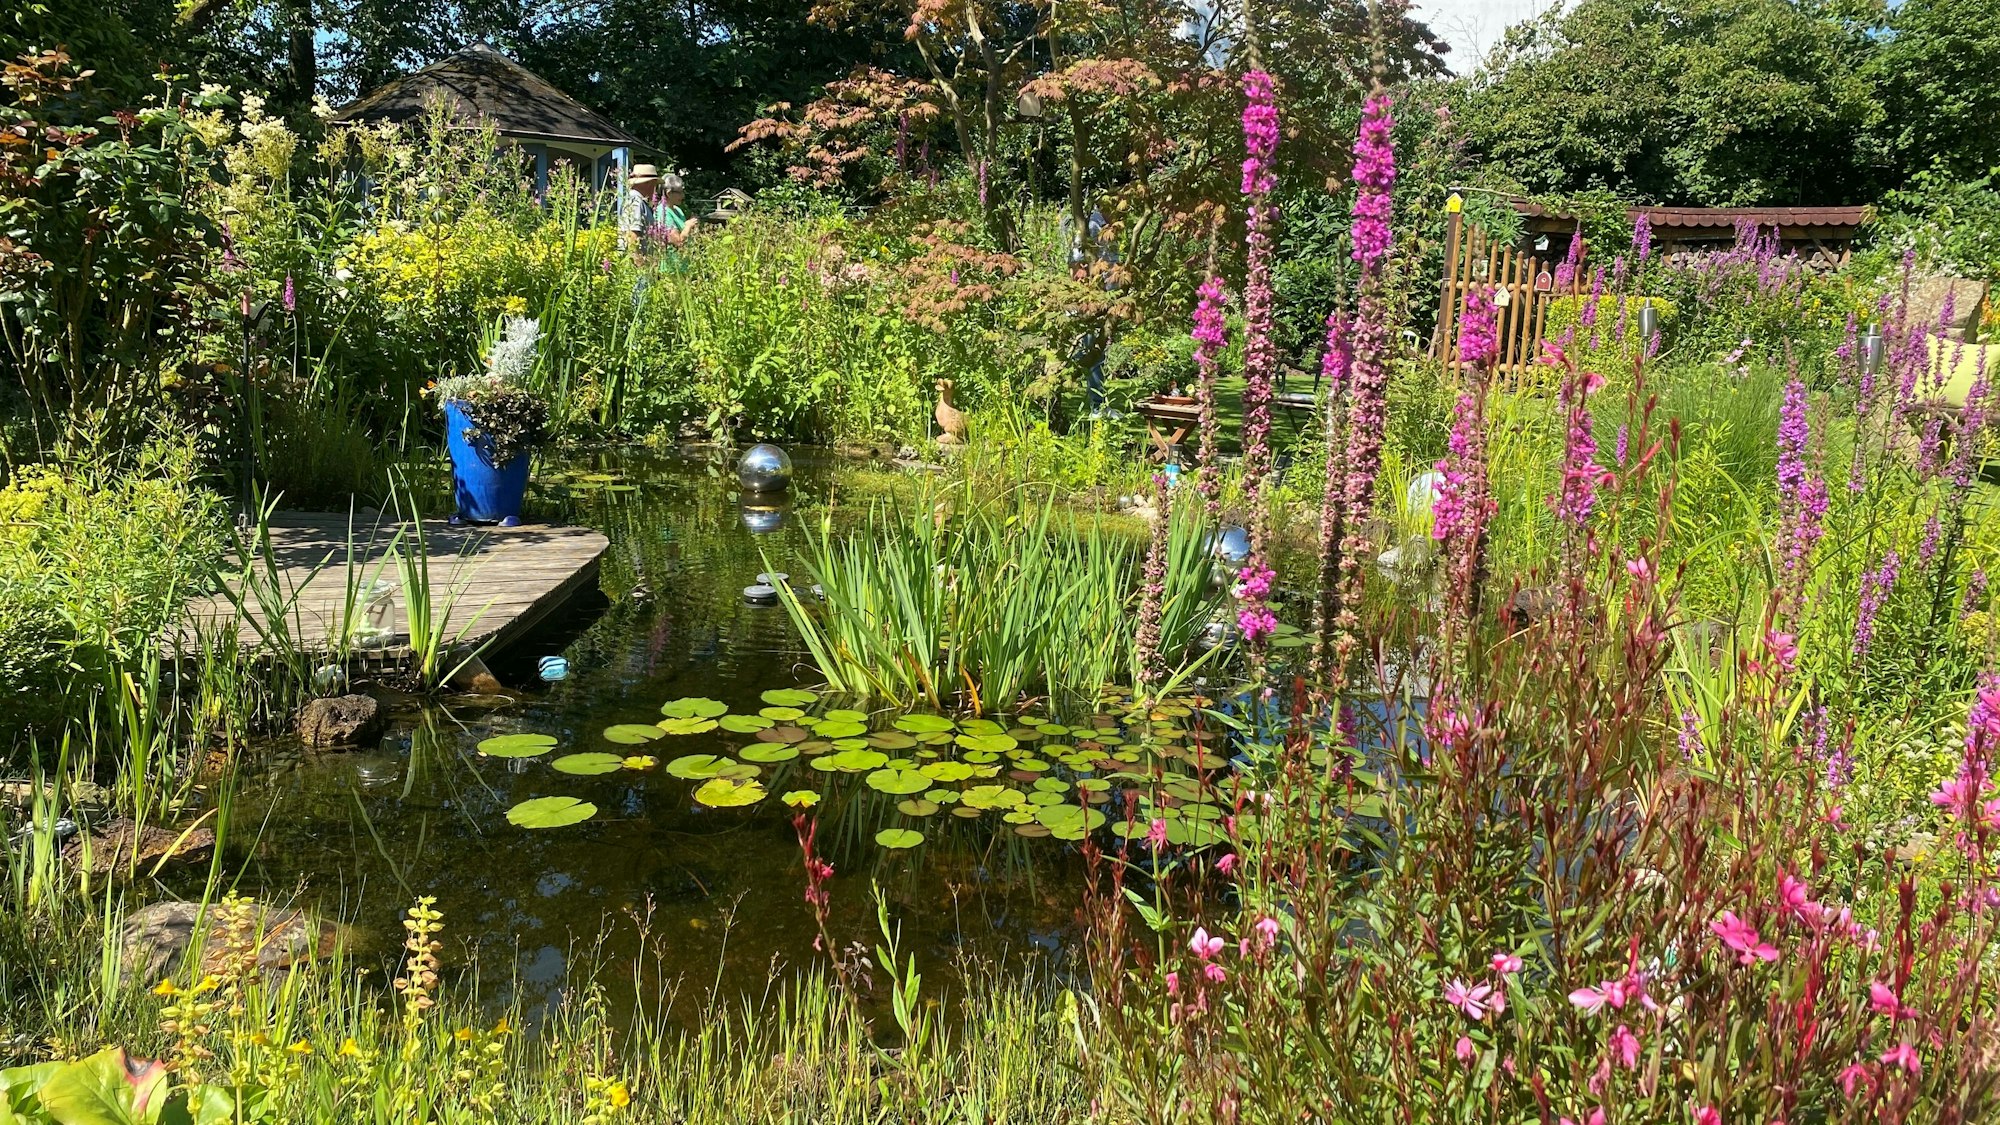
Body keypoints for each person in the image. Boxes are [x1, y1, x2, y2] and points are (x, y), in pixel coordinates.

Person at [617, 163, 661, 254]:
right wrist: (639, 263)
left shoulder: (638, 201)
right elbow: (632, 235)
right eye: (654, 184)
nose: (655, 189)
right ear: (648, 183)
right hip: (635, 264)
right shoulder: (635, 201)